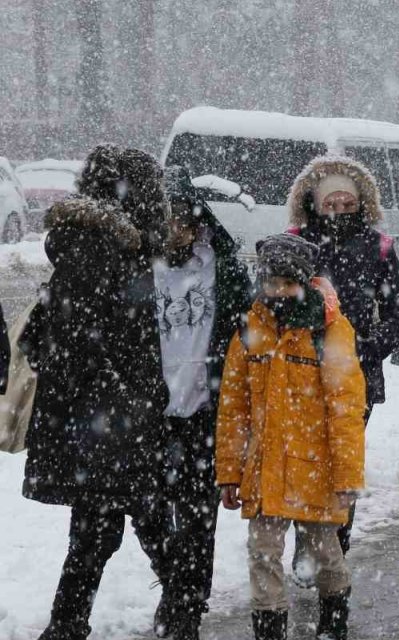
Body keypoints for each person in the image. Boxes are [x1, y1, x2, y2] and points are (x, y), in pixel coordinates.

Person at [21, 145, 172, 640]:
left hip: (107, 421)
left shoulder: (103, 243)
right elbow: (72, 339)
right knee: (130, 519)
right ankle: (180, 606)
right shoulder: (96, 246)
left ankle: (71, 623)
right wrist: (125, 398)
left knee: (104, 525)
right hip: (108, 422)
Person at [217, 234, 365, 640]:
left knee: (326, 554)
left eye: (287, 282)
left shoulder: (330, 330)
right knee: (262, 555)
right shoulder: (249, 329)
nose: (278, 291)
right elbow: (234, 409)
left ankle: (333, 626)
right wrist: (230, 473)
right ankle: (269, 631)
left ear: (304, 280)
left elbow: (345, 409)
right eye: (271, 282)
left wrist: (348, 475)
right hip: (263, 470)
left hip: (314, 471)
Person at [287, 155, 399, 562]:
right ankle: (307, 542)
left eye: (347, 204)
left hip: (356, 375)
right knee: (304, 458)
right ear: (315, 203)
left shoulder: (378, 247)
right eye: (331, 204)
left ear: (361, 203)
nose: (339, 212)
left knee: (343, 460)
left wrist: (370, 348)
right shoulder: (295, 243)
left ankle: (335, 545)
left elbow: (398, 308)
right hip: (300, 372)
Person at [149, 167, 253, 639]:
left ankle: (185, 606)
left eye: (182, 222)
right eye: (165, 222)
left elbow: (244, 332)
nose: (175, 232)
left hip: (205, 411)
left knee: (197, 515)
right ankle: (177, 582)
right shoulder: (140, 266)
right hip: (149, 412)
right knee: (146, 511)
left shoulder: (223, 266)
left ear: (197, 222)